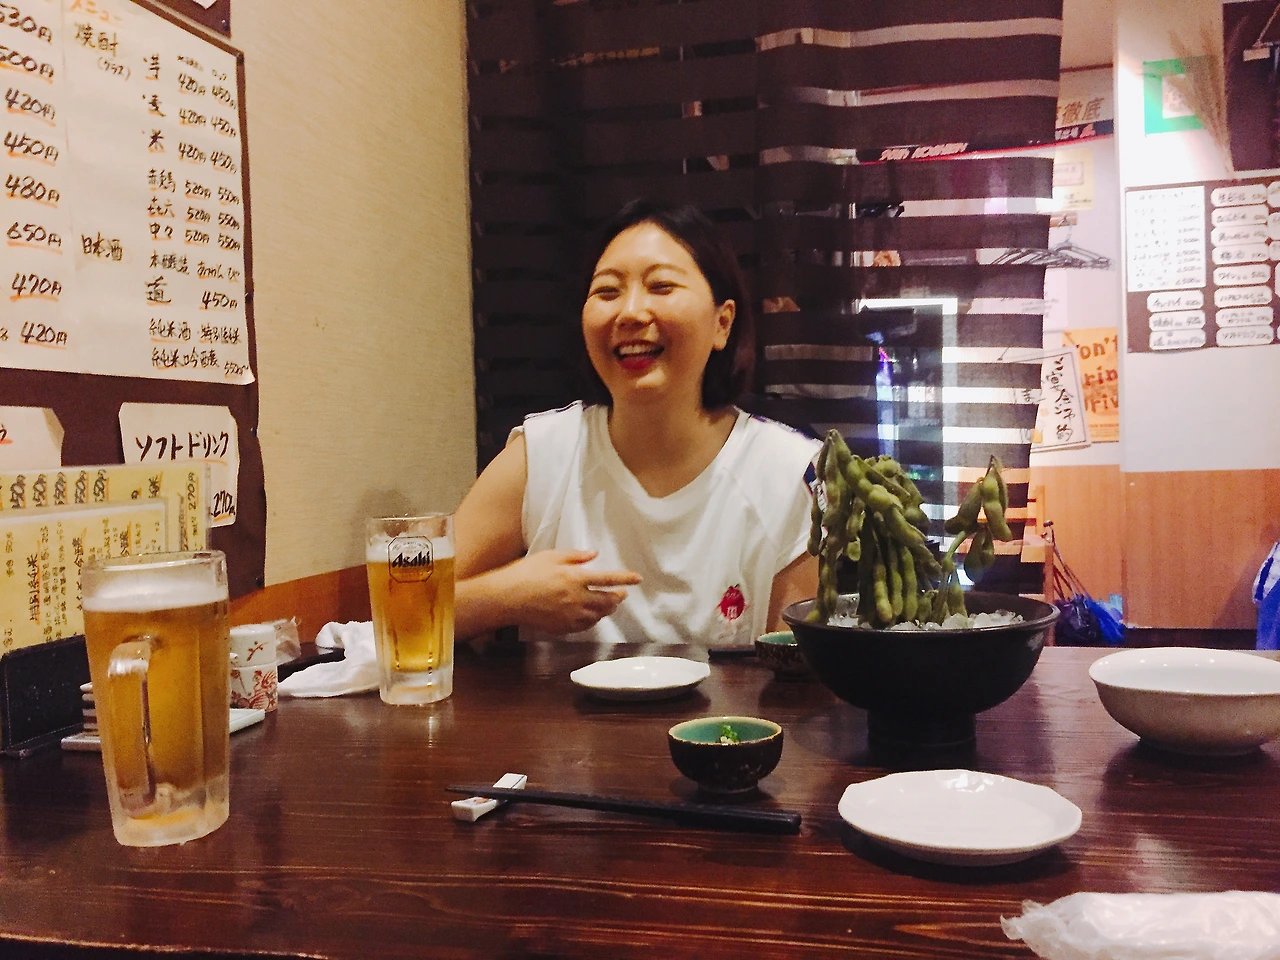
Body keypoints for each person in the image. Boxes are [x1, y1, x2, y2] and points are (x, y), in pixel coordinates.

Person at [453, 199, 819, 650]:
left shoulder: (789, 472)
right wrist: (506, 597)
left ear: (722, 323)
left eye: (661, 286)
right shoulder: (542, 455)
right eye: (607, 292)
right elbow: (399, 611)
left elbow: (801, 673)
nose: (629, 313)